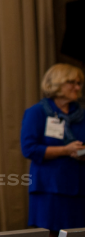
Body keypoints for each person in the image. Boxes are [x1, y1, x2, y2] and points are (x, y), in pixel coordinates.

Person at [21, 62, 85, 234]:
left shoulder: (82, 115)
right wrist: (65, 150)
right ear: (56, 83)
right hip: (49, 191)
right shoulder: (37, 112)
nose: (77, 87)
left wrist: (80, 152)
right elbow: (29, 149)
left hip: (79, 190)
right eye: (72, 82)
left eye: (79, 83)